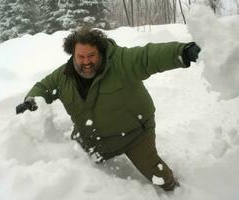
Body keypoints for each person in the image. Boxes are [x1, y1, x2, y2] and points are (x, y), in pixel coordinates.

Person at [16, 27, 201, 191]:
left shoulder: (121, 62)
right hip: (93, 138)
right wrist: (31, 100)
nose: (86, 62)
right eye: (80, 56)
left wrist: (182, 52)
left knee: (158, 175)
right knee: (74, 162)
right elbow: (44, 87)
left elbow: (147, 57)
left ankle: (175, 190)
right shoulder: (63, 76)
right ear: (73, 54)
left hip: (134, 134)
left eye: (91, 56)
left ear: (101, 52)